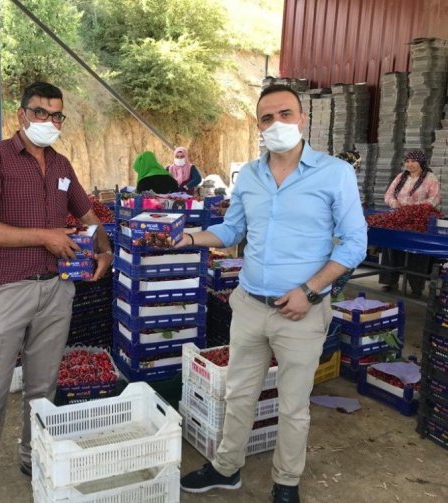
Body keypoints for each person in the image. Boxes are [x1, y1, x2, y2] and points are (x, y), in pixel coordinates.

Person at [177, 84, 367, 503]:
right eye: (267, 118)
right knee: (239, 394)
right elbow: (232, 230)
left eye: (285, 114)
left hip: (302, 311)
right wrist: (187, 238)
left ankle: (286, 483)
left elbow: (355, 244)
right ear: (258, 127)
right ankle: (226, 468)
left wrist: (310, 292)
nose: (276, 123)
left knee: (293, 406)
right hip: (249, 305)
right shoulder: (250, 175)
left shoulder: (334, 173)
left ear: (302, 119)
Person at [0, 82, 113, 503]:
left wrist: (104, 248)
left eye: (57, 115)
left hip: (56, 290)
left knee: (43, 388)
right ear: (22, 115)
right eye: (41, 113)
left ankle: (31, 455)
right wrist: (44, 235)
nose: (49, 122)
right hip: (8, 290)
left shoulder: (61, 164)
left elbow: (87, 213)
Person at [379, 150, 440, 296]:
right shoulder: (401, 177)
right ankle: (390, 281)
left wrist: (413, 209)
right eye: (407, 161)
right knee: (391, 248)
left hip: (419, 219)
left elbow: (435, 199)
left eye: (413, 161)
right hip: (398, 217)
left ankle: (416, 287)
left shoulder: (430, 178)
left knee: (417, 253)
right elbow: (389, 194)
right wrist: (394, 203)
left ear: (421, 162)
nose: (409, 164)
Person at [331, 148, 363, 300]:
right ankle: (332, 293)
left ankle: (331, 293)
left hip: (330, 235)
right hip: (333, 236)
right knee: (345, 261)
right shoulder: (343, 181)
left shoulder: (326, 177)